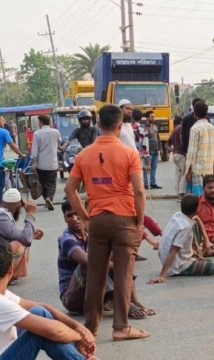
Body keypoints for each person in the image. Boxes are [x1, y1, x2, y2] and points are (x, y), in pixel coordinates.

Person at [64, 104, 149, 341]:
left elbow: (70, 189)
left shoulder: (84, 154)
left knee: (96, 275)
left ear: (98, 124)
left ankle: (90, 328)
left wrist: (84, 216)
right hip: (125, 220)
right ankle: (121, 328)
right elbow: (139, 191)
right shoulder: (129, 154)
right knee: (123, 275)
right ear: (120, 126)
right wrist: (140, 221)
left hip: (97, 220)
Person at [0, 237, 97, 360]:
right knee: (40, 332)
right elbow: (54, 331)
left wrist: (80, 327)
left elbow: (44, 308)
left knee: (39, 313)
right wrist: (80, 337)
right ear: (11, 269)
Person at [57, 201, 154, 319]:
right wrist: (119, 267)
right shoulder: (66, 239)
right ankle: (125, 303)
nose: (75, 219)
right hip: (71, 297)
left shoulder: (91, 234)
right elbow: (86, 261)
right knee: (91, 264)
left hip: (90, 294)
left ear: (84, 213)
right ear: (65, 219)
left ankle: (133, 301)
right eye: (69, 216)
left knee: (117, 259)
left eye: (77, 214)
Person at [147, 195, 214, 284]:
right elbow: (173, 251)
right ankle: (190, 263)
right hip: (177, 266)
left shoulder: (178, 214)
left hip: (171, 258)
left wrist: (206, 240)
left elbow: (196, 218)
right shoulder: (185, 228)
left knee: (195, 224)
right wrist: (162, 275)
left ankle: (195, 253)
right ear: (197, 209)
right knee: (212, 267)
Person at [0, 189, 44, 283]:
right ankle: (7, 276)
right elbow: (26, 239)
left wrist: (31, 232)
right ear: (17, 206)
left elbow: (15, 233)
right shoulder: (2, 218)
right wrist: (30, 214)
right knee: (19, 244)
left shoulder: (1, 214)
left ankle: (8, 274)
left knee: (20, 240)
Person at [185, 101, 214, 197]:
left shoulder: (195, 129)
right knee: (208, 196)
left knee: (198, 198)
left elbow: (191, 152)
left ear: (194, 113)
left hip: (197, 170)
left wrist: (188, 171)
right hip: (209, 168)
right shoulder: (213, 128)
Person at [31, 115, 61, 211]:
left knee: (43, 183)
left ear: (41, 122)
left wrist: (33, 163)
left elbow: (34, 150)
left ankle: (46, 199)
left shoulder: (37, 133)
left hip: (41, 164)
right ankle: (49, 198)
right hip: (52, 163)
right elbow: (60, 142)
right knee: (52, 183)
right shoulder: (56, 132)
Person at [167, 115, 185, 201]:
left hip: (175, 154)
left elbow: (167, 144)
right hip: (181, 154)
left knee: (177, 174)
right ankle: (182, 194)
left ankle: (177, 193)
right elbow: (182, 141)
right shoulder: (181, 128)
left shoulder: (174, 130)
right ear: (181, 122)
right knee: (184, 174)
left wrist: (172, 150)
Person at [143, 111, 162, 189]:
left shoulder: (155, 126)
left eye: (154, 116)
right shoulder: (144, 127)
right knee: (147, 167)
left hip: (155, 150)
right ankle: (146, 183)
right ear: (147, 118)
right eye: (151, 117)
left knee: (154, 167)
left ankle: (153, 183)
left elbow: (158, 137)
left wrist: (160, 148)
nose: (153, 118)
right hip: (148, 151)